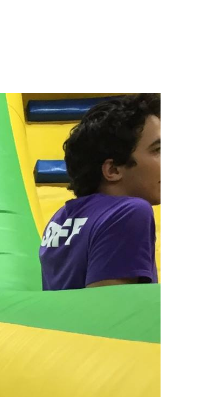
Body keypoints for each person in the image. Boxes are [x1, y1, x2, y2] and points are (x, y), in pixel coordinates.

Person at [39, 94, 160, 290]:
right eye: (158, 149)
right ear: (113, 170)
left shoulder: (59, 219)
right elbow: (110, 313)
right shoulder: (130, 212)